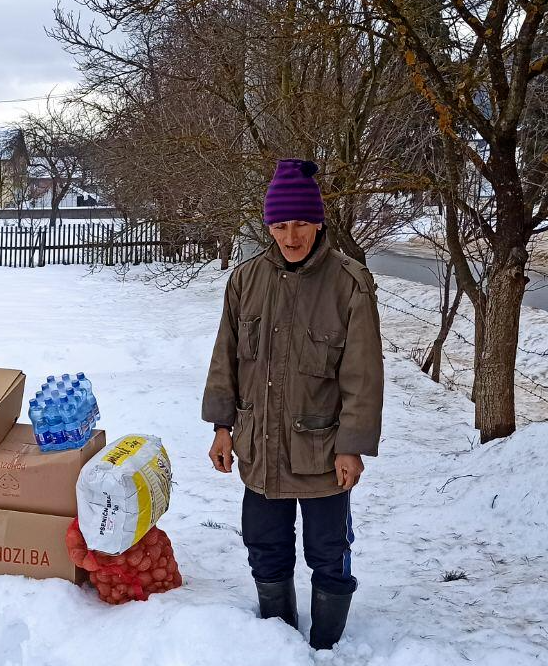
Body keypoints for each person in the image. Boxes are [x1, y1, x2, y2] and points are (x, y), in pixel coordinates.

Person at [202, 158, 384, 650]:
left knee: (328, 551)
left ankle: (327, 647)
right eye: (280, 225)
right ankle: (277, 645)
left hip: (322, 450)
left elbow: (363, 375)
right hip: (259, 447)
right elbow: (226, 358)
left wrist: (352, 447)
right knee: (265, 548)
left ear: (318, 221)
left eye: (300, 222)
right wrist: (222, 427)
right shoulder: (245, 280)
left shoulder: (349, 282)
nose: (290, 235)